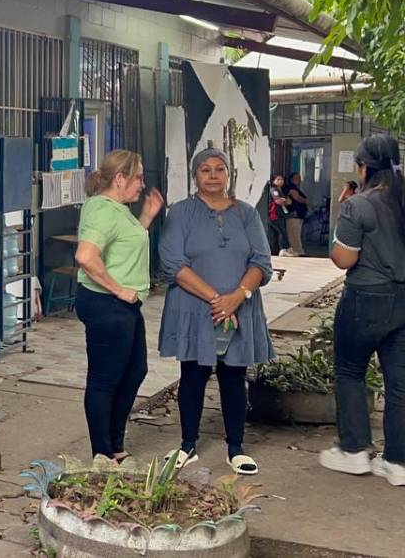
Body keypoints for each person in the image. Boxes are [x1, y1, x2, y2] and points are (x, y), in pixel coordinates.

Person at [159, 149, 273, 476]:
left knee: (234, 376)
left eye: (219, 169)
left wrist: (237, 296)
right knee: (192, 374)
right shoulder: (180, 213)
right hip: (195, 308)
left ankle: (235, 448)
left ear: (228, 175)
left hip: (240, 306)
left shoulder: (247, 214)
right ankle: (187, 445)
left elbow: (261, 262)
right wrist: (217, 300)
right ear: (195, 176)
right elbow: (173, 263)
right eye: (205, 170)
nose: (212, 175)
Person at [319, 134, 405, 487]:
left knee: (350, 370)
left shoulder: (360, 205)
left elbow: (344, 258)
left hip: (365, 299)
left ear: (364, 167)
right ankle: (397, 461)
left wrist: (343, 209)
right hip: (403, 300)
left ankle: (354, 451)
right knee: (400, 382)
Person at [73, 149, 164, 463]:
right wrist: (119, 290)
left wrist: (147, 218)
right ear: (120, 178)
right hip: (106, 304)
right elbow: (85, 257)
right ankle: (103, 454)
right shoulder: (103, 210)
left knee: (135, 371)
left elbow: (124, 244)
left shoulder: (117, 207)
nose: (142, 184)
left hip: (123, 304)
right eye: (138, 176)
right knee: (105, 379)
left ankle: (114, 445)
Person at [282, 172, 309, 256]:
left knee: (296, 233)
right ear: (291, 179)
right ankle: (297, 251)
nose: (299, 180)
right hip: (294, 214)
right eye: (297, 178)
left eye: (300, 178)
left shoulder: (296, 188)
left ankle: (297, 250)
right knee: (294, 234)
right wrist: (306, 200)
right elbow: (296, 197)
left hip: (299, 215)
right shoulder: (290, 187)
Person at [267, 175, 290, 255]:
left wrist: (284, 200)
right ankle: (283, 249)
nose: (281, 181)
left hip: (278, 214)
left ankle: (275, 251)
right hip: (274, 215)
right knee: (281, 232)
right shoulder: (274, 190)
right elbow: (278, 201)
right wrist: (285, 200)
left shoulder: (280, 190)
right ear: (273, 181)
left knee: (275, 233)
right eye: (278, 179)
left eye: (282, 179)